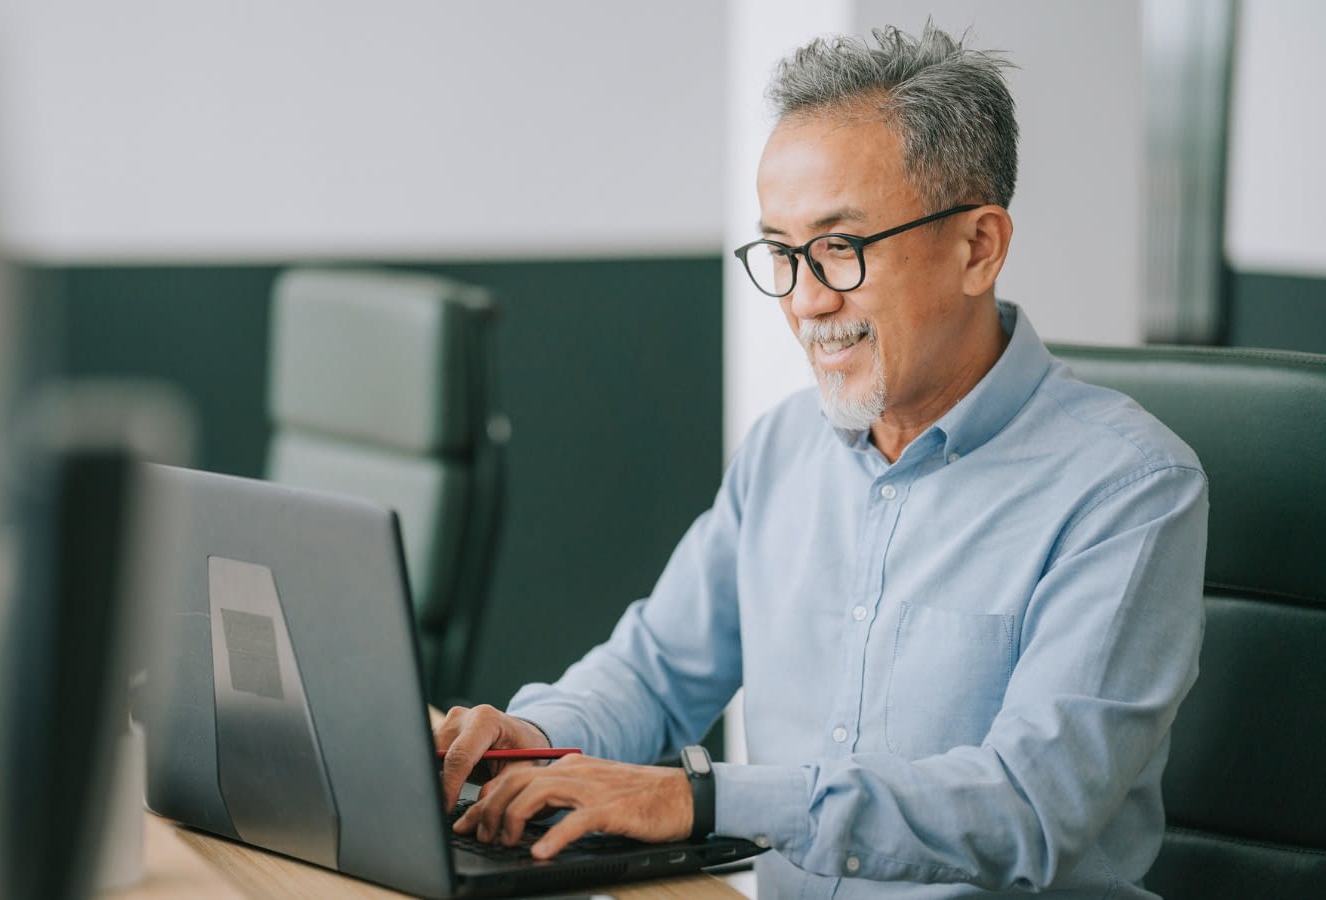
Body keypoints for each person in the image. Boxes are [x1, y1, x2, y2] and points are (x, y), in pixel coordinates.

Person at [436, 22, 1208, 898]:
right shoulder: (785, 446)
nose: (805, 300)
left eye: (841, 248)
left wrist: (700, 800)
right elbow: (654, 672)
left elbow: (1028, 805)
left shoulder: (1130, 486)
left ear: (979, 247)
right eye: (780, 252)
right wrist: (531, 739)